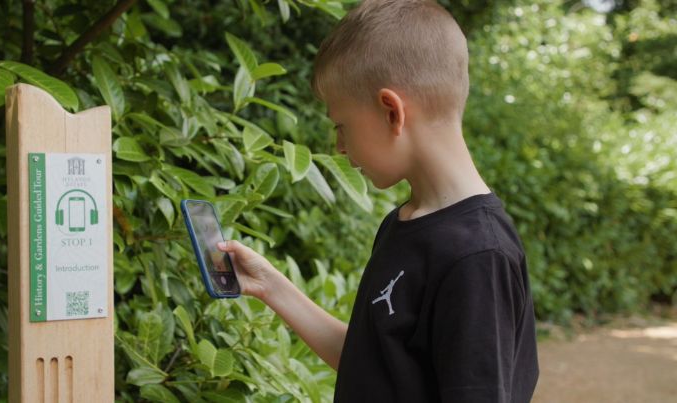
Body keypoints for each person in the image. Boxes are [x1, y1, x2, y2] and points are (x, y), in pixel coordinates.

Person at [216, 0, 539, 401]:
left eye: (341, 126)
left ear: (391, 112)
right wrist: (269, 286)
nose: (338, 147)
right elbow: (374, 365)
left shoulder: (477, 256)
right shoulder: (404, 223)